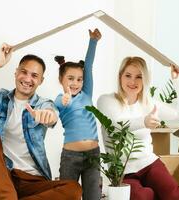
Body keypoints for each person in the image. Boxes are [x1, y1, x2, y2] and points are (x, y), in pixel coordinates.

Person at [0, 44, 82, 200]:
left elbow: (51, 114)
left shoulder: (43, 104)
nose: (27, 79)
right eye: (24, 72)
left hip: (32, 181)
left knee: (73, 189)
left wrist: (47, 115)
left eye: (34, 75)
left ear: (41, 80)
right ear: (16, 73)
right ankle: (7, 197)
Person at [97, 56, 179, 200]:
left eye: (139, 77)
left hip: (149, 164)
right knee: (143, 196)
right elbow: (115, 125)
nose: (133, 81)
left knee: (175, 196)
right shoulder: (106, 101)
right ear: (120, 76)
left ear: (145, 80)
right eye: (128, 75)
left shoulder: (148, 104)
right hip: (123, 172)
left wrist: (178, 81)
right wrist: (143, 121)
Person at [53, 28, 101, 200]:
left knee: (93, 196)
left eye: (79, 79)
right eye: (70, 79)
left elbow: (88, 65)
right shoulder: (60, 99)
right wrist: (66, 99)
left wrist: (93, 41)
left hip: (93, 155)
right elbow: (61, 103)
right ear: (61, 80)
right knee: (67, 196)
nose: (75, 83)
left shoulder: (87, 94)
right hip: (70, 158)